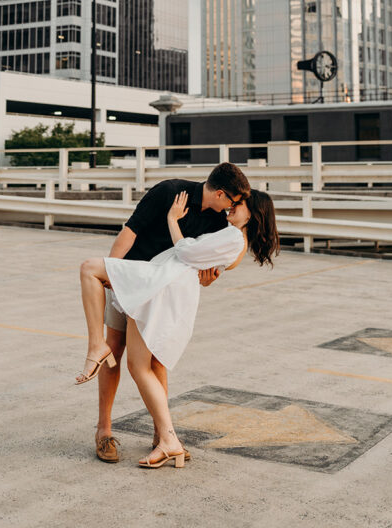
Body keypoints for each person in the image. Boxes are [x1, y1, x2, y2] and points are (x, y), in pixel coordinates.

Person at [76, 188, 280, 469]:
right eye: (233, 201)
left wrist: (173, 221)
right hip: (141, 277)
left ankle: (165, 436)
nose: (231, 207)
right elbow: (134, 233)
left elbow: (193, 255)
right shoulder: (173, 192)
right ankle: (126, 433)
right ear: (220, 192)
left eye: (238, 204)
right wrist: (115, 269)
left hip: (155, 285)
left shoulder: (231, 233)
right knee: (136, 362)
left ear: (252, 212)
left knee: (144, 365)